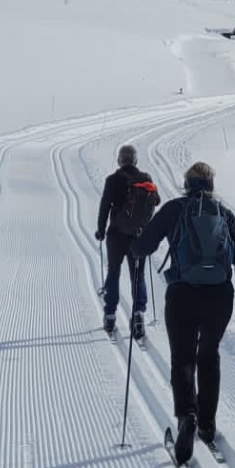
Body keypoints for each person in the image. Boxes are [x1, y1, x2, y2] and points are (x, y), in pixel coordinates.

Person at [133, 162, 235, 465]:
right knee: (208, 355)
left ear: (187, 184)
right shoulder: (224, 213)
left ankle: (187, 416)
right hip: (220, 295)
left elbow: (144, 246)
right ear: (211, 185)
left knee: (182, 357)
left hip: (183, 293)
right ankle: (208, 426)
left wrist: (136, 244)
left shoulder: (175, 208)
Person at [96, 144, 161, 339]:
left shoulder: (112, 180)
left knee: (114, 273)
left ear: (119, 160)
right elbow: (156, 201)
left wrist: (101, 230)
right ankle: (139, 315)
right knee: (138, 276)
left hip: (116, 235)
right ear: (135, 161)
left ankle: (109, 315)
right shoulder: (145, 179)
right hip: (139, 236)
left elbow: (105, 206)